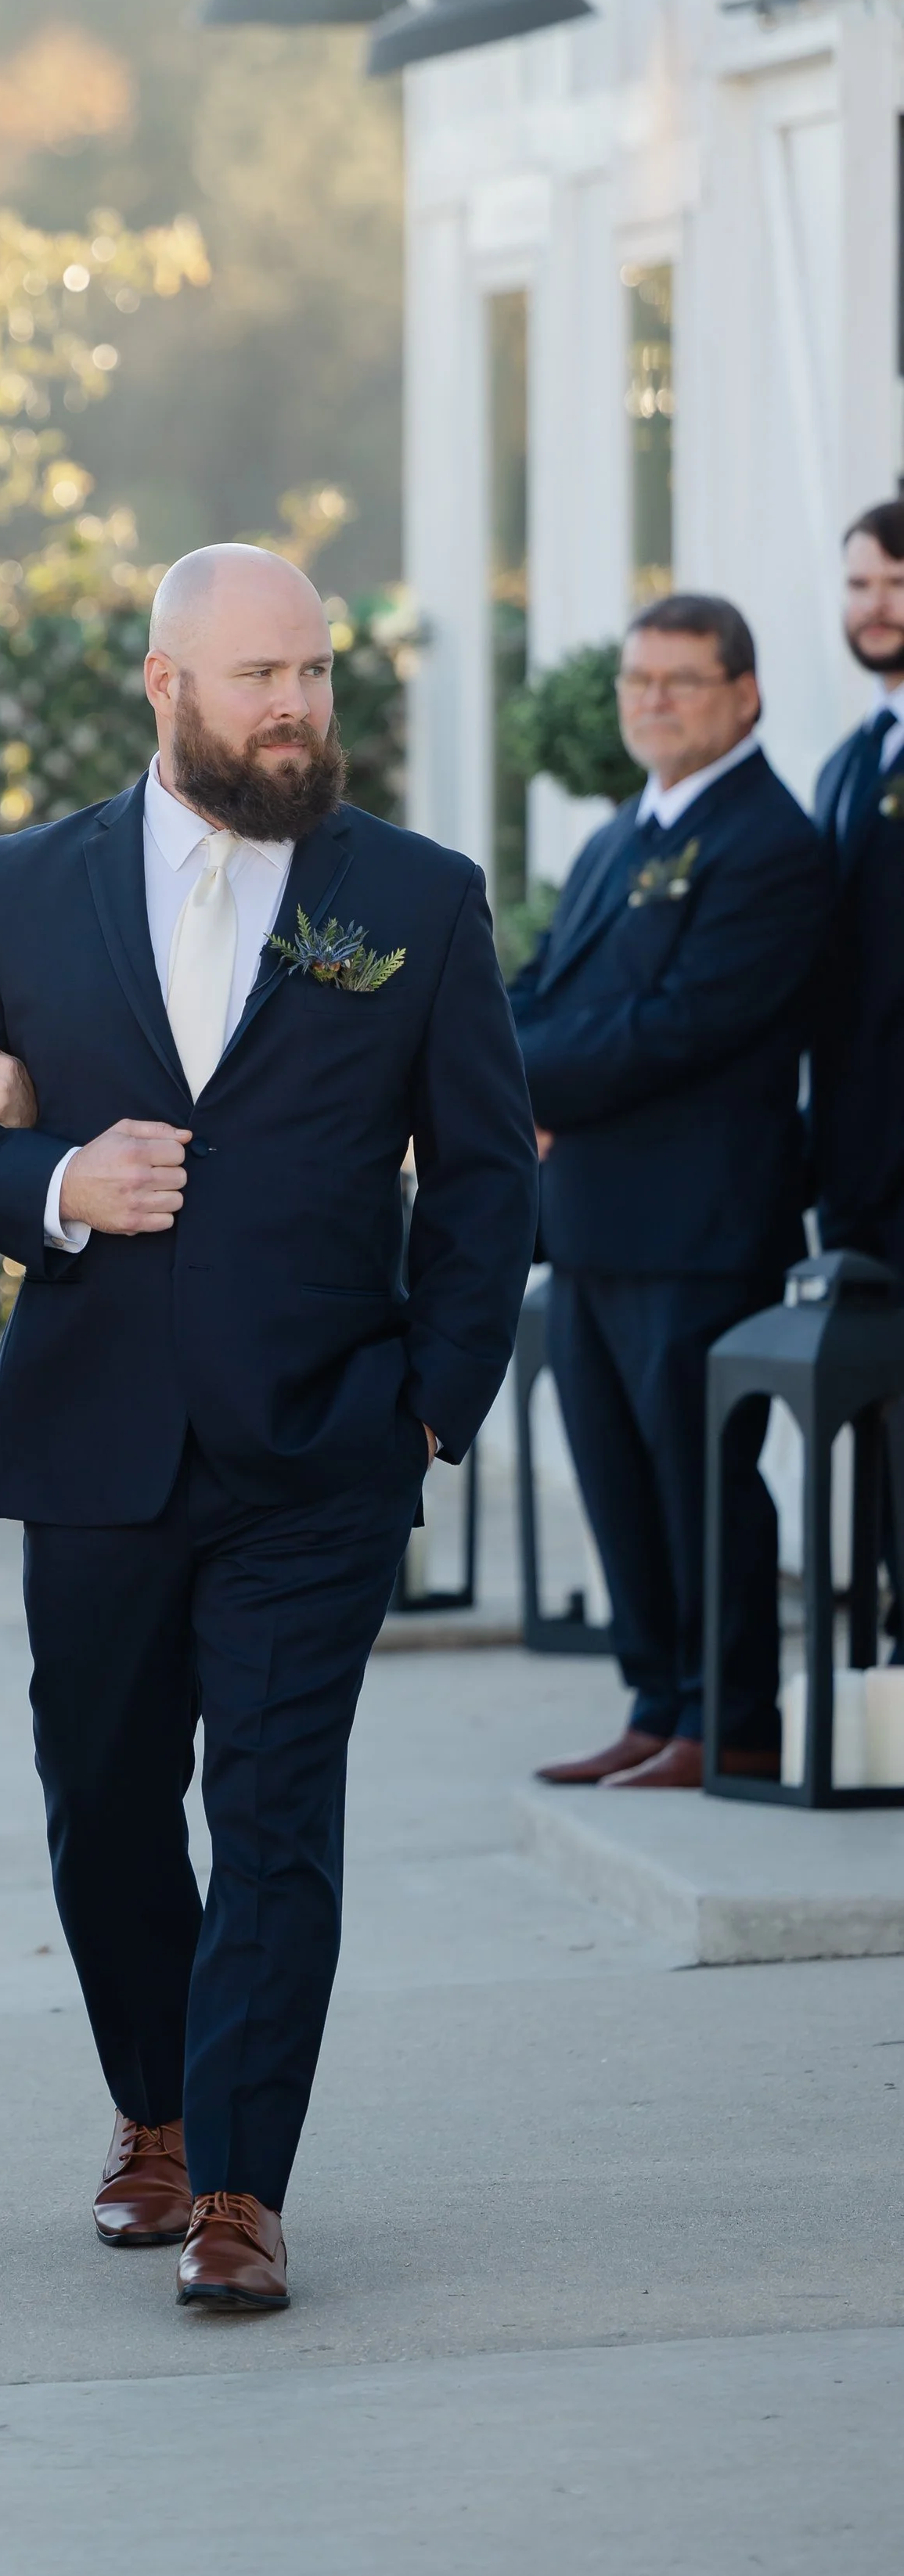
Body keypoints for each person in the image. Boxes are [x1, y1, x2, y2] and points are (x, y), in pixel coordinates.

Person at [0, 544, 538, 2315]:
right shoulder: (22, 886)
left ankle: (240, 2182)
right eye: (261, 677)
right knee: (101, 1803)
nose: (299, 707)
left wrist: (428, 1413)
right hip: (91, 1430)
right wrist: (58, 1178)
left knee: (275, 1809)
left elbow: (483, 1177)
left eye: (316, 671)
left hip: (322, 1441)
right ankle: (150, 2109)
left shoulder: (413, 893)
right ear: (164, 685)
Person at [515, 594, 832, 1792]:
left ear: (743, 694)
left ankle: (729, 1713)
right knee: (615, 1469)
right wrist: (502, 1057)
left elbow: (684, 1027)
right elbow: (542, 983)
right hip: (593, 1215)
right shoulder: (616, 838)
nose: (652, 699)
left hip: (702, 1222)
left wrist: (513, 1066)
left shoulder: (771, 843)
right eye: (638, 679)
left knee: (701, 1480)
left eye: (680, 680)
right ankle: (657, 1700)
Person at [812, 502, 904, 1277]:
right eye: (859, 583)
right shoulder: (846, 762)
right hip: (851, 1147)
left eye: (897, 581)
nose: (875, 603)